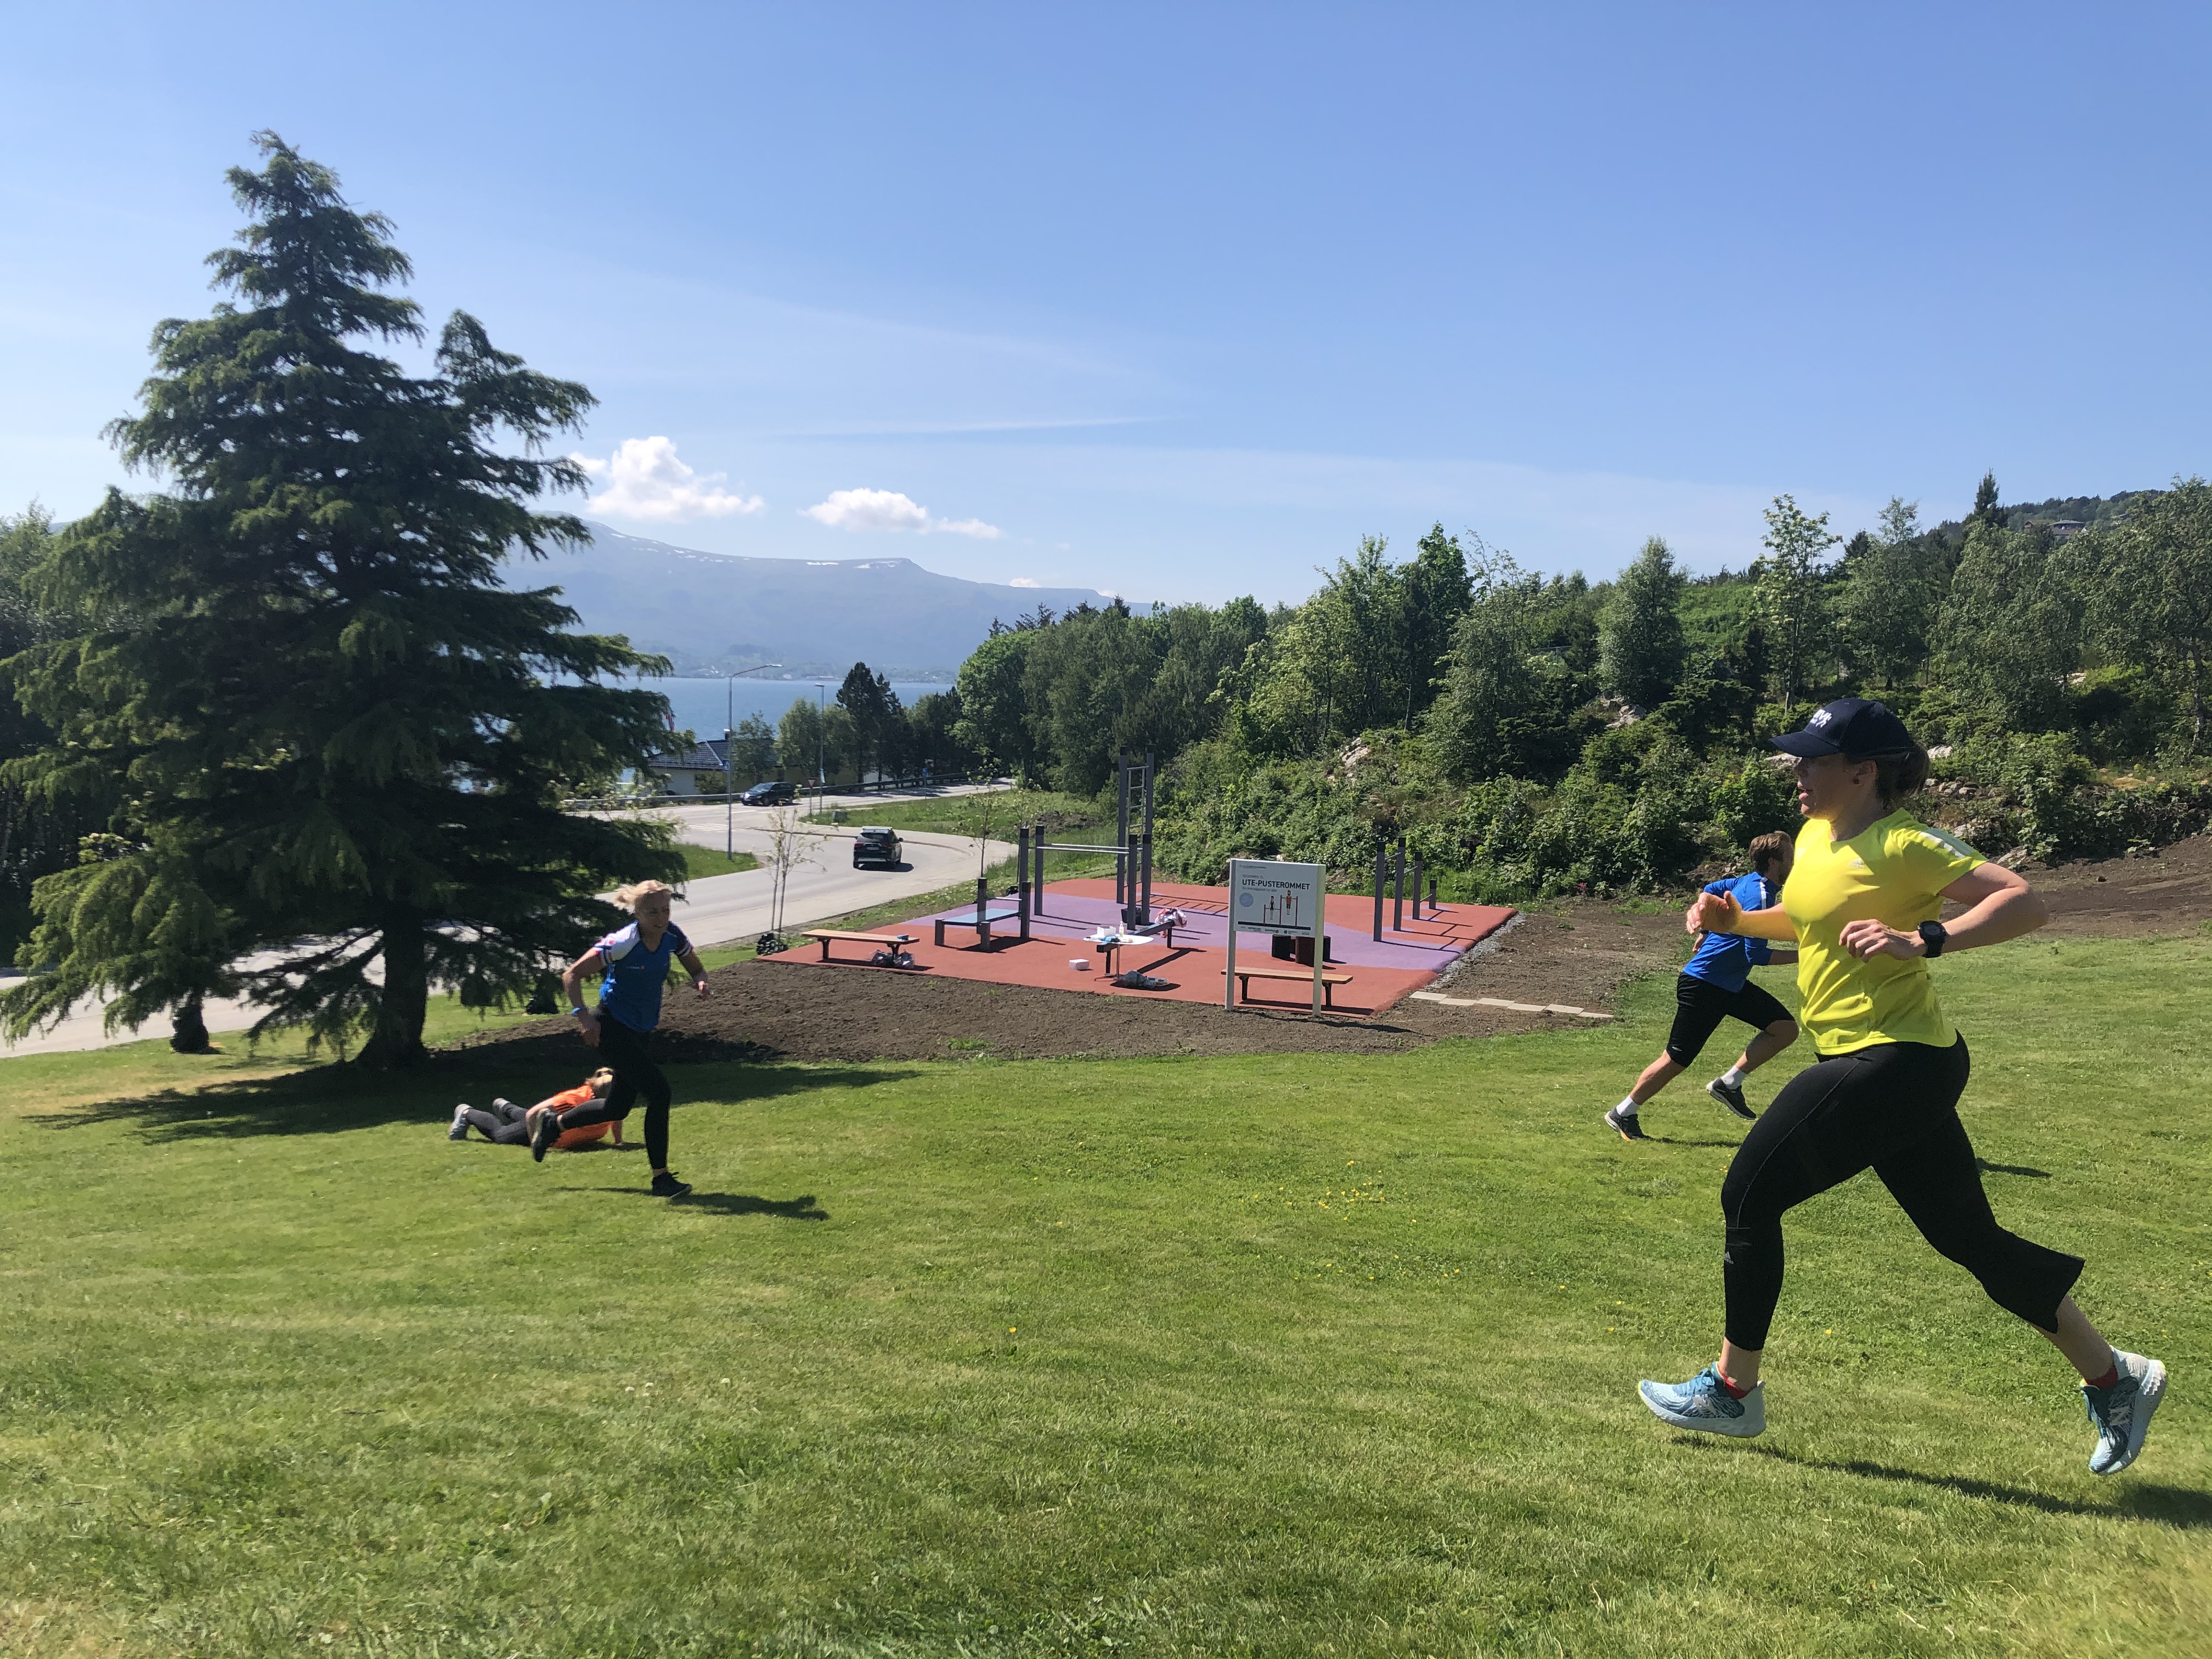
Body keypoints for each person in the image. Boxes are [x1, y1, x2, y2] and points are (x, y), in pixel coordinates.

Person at [1636, 698, 2166, 1476]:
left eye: (1812, 762)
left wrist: (1925, 938)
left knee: (1749, 1193)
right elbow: (1809, 917)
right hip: (1882, 1064)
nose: (1798, 777)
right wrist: (1736, 924)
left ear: (1863, 772)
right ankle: (2117, 1379)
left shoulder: (1905, 842)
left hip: (1896, 1060)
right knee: (1968, 1239)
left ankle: (1732, 1390)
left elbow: (2025, 899)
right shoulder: (1818, 837)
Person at [1604, 831, 1801, 1140]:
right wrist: (1804, 954)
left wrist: (1705, 925)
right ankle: (1623, 1112)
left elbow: (1709, 891)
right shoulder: (1760, 894)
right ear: (1776, 862)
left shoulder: (1744, 882)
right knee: (1676, 1058)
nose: (1794, 861)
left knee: (1785, 1028)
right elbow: (1757, 955)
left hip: (1728, 984)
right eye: (1790, 856)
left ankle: (1729, 1084)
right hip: (1705, 985)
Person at [528, 880, 711, 1199]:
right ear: (637, 913)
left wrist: (701, 982)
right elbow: (571, 975)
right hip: (611, 1027)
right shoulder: (623, 942)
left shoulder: (673, 936)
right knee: (659, 1092)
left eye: (665, 910)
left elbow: (696, 969)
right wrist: (582, 1016)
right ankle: (661, 1179)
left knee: (618, 1107)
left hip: (641, 1029)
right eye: (652, 911)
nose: (661, 917)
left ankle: (553, 1125)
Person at [448, 1069, 624, 1149]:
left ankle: (507, 1107)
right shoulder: (572, 1101)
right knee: (501, 1135)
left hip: (548, 1120)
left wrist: (618, 1142)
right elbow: (534, 1114)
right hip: (539, 1127)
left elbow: (617, 1113)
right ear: (597, 1097)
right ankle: (466, 1112)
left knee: (528, 1115)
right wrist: (536, 1143)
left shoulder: (612, 1102)